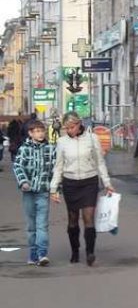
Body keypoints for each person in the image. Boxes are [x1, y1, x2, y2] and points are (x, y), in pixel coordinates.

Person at [49, 111, 115, 266]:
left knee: (88, 218)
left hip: (89, 182)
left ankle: (90, 252)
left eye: (71, 127)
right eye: (66, 128)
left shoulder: (92, 139)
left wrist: (107, 183)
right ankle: (75, 251)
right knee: (72, 220)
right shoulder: (62, 142)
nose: (69, 130)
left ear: (79, 124)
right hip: (70, 183)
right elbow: (58, 167)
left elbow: (100, 162)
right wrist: (53, 189)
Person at [12, 120, 56, 266]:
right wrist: (23, 181)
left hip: (43, 191)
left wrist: (56, 189)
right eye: (37, 131)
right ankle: (33, 253)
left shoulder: (50, 149)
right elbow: (18, 166)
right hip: (28, 192)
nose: (40, 133)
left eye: (42, 130)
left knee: (42, 224)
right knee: (31, 226)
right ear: (30, 133)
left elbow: (56, 170)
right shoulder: (24, 149)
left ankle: (42, 254)